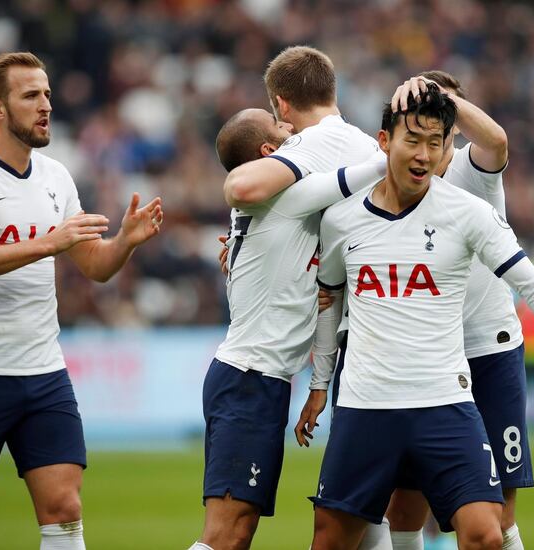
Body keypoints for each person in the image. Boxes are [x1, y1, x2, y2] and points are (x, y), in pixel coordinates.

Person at [303, 86, 534, 550]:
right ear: (384, 141)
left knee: (488, 533)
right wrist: (320, 384)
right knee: (331, 540)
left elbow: (530, 282)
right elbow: (328, 300)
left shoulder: (468, 212)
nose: (425, 153)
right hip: (366, 405)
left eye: (437, 142)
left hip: (444, 404)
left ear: (449, 147)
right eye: (414, 140)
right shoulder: (342, 219)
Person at [0, 52, 163, 550]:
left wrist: (126, 241)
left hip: (45, 374)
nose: (46, 105)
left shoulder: (55, 177)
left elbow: (94, 266)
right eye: (31, 96)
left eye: (46, 94)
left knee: (65, 511)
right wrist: (47, 243)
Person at [193, 45, 384, 550]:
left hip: (263, 378)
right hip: (248, 377)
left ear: (281, 101)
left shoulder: (292, 188)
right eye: (280, 137)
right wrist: (394, 156)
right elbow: (343, 180)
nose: (290, 136)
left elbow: (327, 272)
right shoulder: (291, 186)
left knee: (248, 530)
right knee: (227, 535)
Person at [374, 70, 533, 550]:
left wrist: (441, 96)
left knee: (498, 512)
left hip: (487, 349)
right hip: (426, 356)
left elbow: (498, 140)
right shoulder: (396, 175)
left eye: (448, 115)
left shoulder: (474, 168)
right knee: (404, 503)